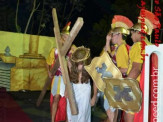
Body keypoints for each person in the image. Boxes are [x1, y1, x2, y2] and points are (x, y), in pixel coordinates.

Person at [125, 9, 160, 122]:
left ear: (138, 32)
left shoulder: (137, 46)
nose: (130, 36)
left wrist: (125, 87)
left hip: (135, 88)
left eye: (132, 32)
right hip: (149, 90)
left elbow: (136, 69)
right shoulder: (151, 46)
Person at [100, 15, 133, 122]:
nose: (111, 36)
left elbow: (126, 69)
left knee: (111, 112)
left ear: (119, 34)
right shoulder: (119, 48)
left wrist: (113, 70)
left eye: (112, 34)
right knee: (112, 113)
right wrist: (107, 41)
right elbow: (107, 57)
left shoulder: (122, 48)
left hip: (118, 85)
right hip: (115, 84)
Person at [46, 22, 72, 122]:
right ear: (61, 37)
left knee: (66, 101)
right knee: (56, 99)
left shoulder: (70, 51)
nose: (66, 39)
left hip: (66, 79)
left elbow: (70, 68)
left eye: (68, 37)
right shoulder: (55, 50)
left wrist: (69, 82)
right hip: (57, 78)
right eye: (64, 37)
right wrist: (49, 71)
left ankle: (66, 120)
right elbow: (48, 62)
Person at [66, 46, 92, 122]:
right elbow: (70, 77)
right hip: (74, 90)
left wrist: (94, 97)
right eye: (77, 62)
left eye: (80, 62)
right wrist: (67, 90)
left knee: (82, 115)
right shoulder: (73, 68)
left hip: (84, 92)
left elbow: (96, 81)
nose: (78, 64)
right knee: (71, 113)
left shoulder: (89, 70)